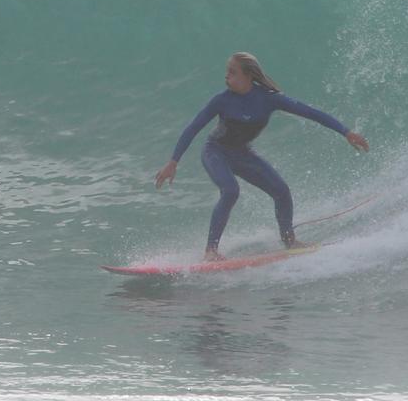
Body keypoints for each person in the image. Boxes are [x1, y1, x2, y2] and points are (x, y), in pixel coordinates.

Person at [154, 52, 369, 261]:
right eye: (227, 71)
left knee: (282, 191)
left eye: (232, 72)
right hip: (215, 151)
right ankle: (211, 251)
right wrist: (173, 161)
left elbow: (310, 112)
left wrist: (346, 132)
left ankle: (289, 241)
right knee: (230, 190)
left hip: (242, 154)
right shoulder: (221, 101)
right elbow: (193, 127)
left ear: (248, 76)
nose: (226, 76)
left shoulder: (268, 99)